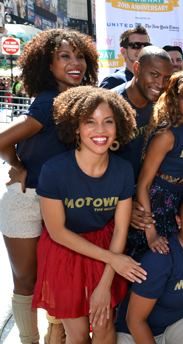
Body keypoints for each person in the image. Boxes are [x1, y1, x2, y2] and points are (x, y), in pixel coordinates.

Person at [0, 29, 98, 344]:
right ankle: (29, 340)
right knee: (27, 281)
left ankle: (53, 336)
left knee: (55, 279)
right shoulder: (48, 103)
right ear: (47, 64)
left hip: (60, 204)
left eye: (80, 56)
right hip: (27, 201)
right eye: (64, 56)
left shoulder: (79, 99)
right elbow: (2, 140)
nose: (75, 63)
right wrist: (18, 166)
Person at [32, 86, 146, 343]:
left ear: (119, 127)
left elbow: (119, 229)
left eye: (108, 122)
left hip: (105, 250)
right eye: (90, 122)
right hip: (65, 250)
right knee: (80, 335)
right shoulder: (54, 170)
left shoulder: (123, 170)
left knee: (104, 328)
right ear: (76, 128)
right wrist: (114, 260)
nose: (100, 130)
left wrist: (104, 286)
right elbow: (57, 232)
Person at [129, 71, 183, 260]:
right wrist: (150, 232)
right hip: (156, 205)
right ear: (175, 100)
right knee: (155, 260)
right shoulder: (167, 135)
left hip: (178, 200)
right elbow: (143, 184)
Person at [116, 192, 183, 344]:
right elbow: (134, 321)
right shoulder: (161, 257)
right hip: (135, 335)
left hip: (174, 326)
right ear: (178, 221)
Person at [112, 46, 173, 179]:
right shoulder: (110, 105)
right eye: (154, 74)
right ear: (137, 69)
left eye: (166, 78)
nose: (161, 84)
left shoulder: (161, 104)